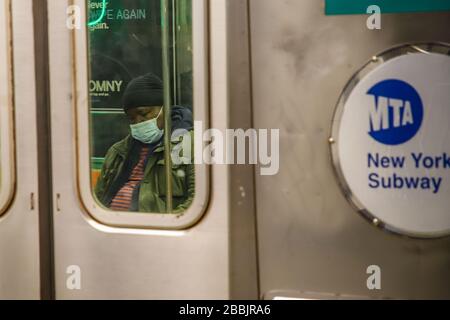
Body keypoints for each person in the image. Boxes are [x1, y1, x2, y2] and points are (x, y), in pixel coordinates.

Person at [94, 73, 194, 214]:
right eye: (132, 119)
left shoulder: (190, 144)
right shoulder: (117, 152)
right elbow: (96, 200)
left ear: (164, 109)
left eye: (144, 113)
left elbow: (196, 202)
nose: (138, 122)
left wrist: (163, 226)